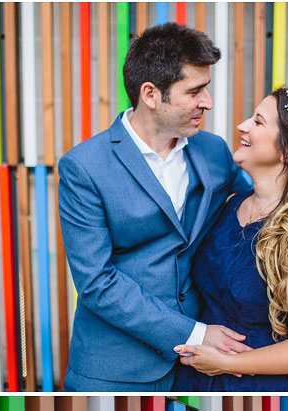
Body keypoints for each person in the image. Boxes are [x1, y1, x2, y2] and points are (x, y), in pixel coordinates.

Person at [58, 23, 254, 391]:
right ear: (150, 94)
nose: (207, 102)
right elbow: (97, 282)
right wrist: (193, 333)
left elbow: (259, 210)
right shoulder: (84, 167)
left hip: (204, 370)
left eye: (206, 89)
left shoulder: (213, 151)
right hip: (116, 369)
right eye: (195, 91)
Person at [172, 87, 288, 389]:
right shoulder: (228, 204)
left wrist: (227, 363)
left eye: (258, 121)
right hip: (198, 381)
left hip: (265, 391)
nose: (242, 126)